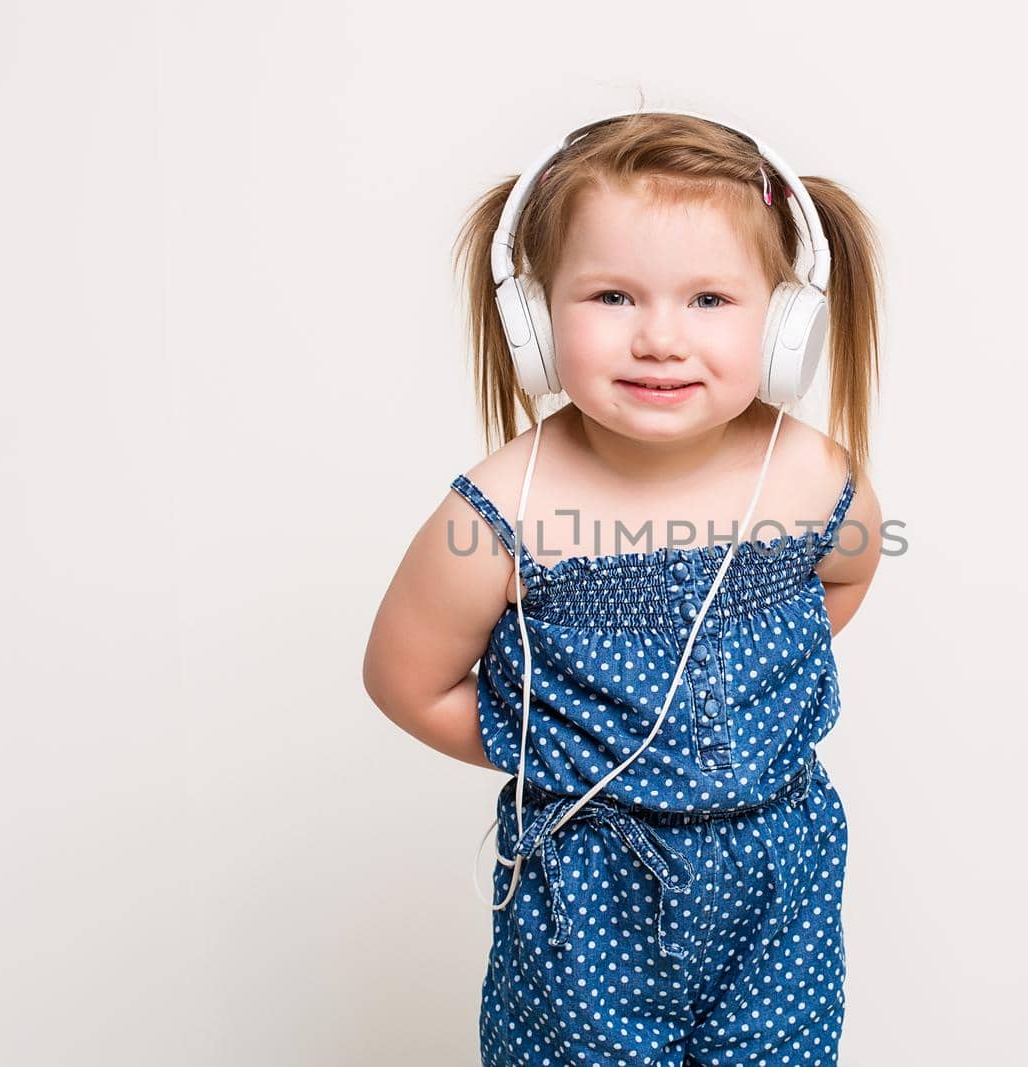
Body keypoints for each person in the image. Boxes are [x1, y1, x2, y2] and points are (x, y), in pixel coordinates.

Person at [363, 105, 886, 1066]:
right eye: (611, 297)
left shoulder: (807, 470)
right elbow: (409, 679)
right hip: (592, 887)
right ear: (533, 316)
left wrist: (747, 713)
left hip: (781, 882)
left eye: (709, 301)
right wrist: (565, 754)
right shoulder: (502, 511)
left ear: (785, 322)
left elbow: (840, 580)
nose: (659, 339)